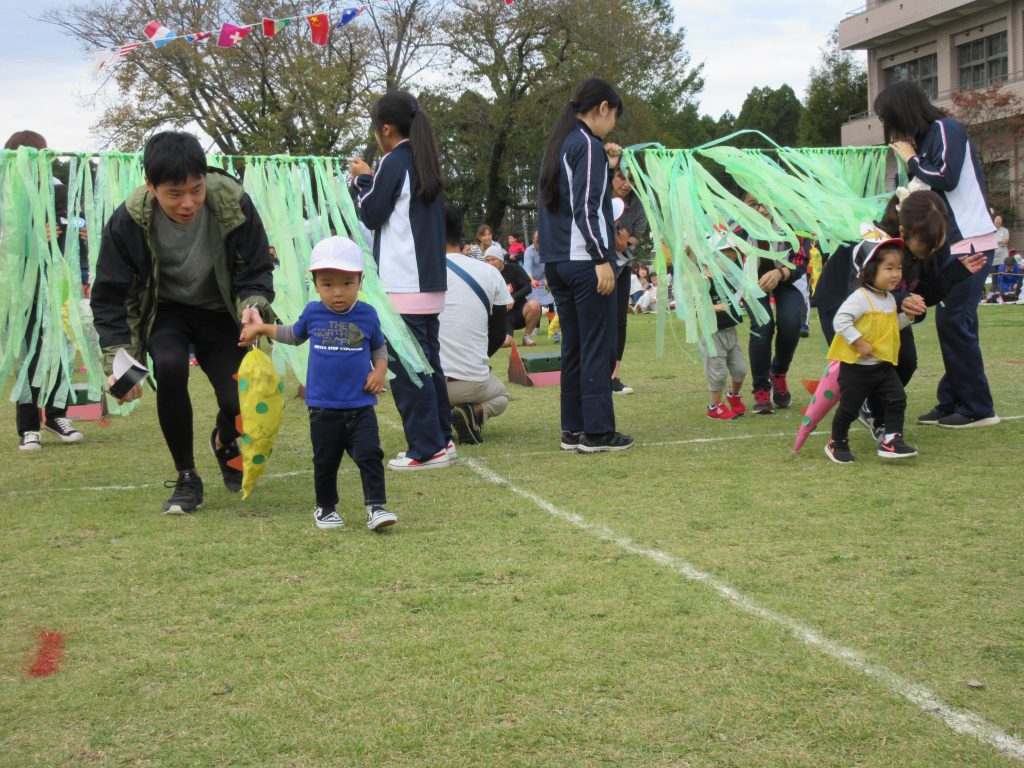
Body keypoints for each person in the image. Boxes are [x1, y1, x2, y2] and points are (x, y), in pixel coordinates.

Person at [91, 131, 275, 514]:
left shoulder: (233, 202)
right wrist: (117, 363)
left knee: (237, 398)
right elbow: (111, 296)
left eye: (196, 189)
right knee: (171, 367)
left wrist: (253, 305)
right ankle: (186, 476)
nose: (188, 203)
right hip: (166, 312)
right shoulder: (128, 220)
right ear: (151, 186)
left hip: (220, 311)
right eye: (174, 194)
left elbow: (256, 269)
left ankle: (224, 441)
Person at [238, 237, 395, 531]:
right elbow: (293, 335)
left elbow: (379, 347)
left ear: (360, 281)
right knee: (326, 460)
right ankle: (325, 508)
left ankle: (376, 507)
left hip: (361, 405)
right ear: (315, 284)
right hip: (323, 407)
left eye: (347, 283)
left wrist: (379, 370)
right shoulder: (313, 313)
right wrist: (261, 328)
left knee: (370, 454)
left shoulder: (368, 315)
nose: (338, 292)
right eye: (328, 284)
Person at [876, 80, 999, 428]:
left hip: (970, 239)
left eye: (888, 117)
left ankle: (978, 408)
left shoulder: (946, 128)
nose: (888, 125)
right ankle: (952, 400)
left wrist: (911, 158)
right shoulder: (926, 139)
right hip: (951, 242)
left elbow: (946, 177)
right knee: (952, 321)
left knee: (955, 320)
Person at [350, 90, 454, 470]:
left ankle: (426, 448)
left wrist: (363, 179)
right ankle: (442, 439)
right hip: (428, 282)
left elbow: (371, 214)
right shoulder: (425, 160)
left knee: (409, 371)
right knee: (428, 364)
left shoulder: (394, 161)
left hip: (403, 283)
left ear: (386, 129)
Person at [537, 77, 633, 453]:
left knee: (574, 347)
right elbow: (587, 208)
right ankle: (597, 432)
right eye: (614, 116)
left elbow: (573, 198)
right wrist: (601, 258)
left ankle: (574, 428)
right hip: (583, 261)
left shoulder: (561, 144)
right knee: (596, 345)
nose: (613, 126)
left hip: (558, 261)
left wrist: (608, 169)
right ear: (603, 108)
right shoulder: (587, 144)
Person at [5, 130, 85, 451]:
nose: (39, 164)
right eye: (30, 158)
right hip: (22, 287)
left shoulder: (59, 189)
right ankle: (28, 427)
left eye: (42, 157)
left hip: (58, 283)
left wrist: (76, 229)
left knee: (60, 349)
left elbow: (78, 220)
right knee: (30, 354)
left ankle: (56, 415)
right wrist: (33, 238)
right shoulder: (7, 194)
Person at [824, 239, 917, 463]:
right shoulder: (860, 298)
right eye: (889, 268)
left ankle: (891, 441)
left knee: (897, 399)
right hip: (857, 368)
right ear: (869, 270)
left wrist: (907, 318)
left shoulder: (889, 298)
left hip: (882, 366)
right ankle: (836, 443)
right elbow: (840, 321)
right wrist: (858, 342)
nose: (896, 274)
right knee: (849, 409)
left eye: (899, 268)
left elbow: (889, 327)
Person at [439, 205, 512, 445]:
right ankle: (473, 412)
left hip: (427, 384)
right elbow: (499, 332)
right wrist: (474, 358)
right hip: (470, 380)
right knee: (501, 396)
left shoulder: (416, 272)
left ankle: (436, 416)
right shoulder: (490, 273)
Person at [741, 194, 808, 415]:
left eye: (765, 204)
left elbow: (801, 260)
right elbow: (726, 257)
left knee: (790, 322)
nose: (760, 210)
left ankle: (778, 372)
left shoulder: (792, 224)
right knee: (763, 326)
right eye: (753, 205)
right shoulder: (737, 228)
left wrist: (780, 273)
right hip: (753, 281)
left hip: (787, 279)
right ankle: (761, 389)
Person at [700, 235, 748, 420]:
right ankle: (714, 406)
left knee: (740, 370)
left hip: (730, 332)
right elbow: (695, 307)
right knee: (717, 372)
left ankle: (734, 395)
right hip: (713, 334)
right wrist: (715, 307)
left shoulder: (731, 279)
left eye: (732, 257)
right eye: (726, 257)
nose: (731, 261)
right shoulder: (705, 280)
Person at [610, 168, 649, 395]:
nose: (626, 184)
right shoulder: (598, 196)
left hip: (623, 266)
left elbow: (637, 235)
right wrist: (617, 240)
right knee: (600, 320)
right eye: (622, 177)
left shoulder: (638, 204)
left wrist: (624, 241)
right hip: (598, 266)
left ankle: (613, 376)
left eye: (632, 179)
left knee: (619, 321)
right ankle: (595, 374)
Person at [484, 245, 541, 346]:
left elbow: (528, 287)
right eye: (488, 260)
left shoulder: (514, 269)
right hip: (502, 316)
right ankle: (503, 338)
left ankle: (527, 337)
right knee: (505, 343)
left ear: (501, 259)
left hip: (520, 311)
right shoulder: (486, 275)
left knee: (534, 305)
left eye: (493, 259)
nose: (490, 263)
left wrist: (512, 297)